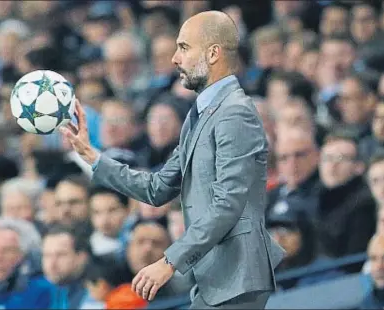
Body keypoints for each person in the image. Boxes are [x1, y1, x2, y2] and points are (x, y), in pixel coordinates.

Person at [60, 10, 285, 309]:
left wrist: (169, 262)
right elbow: (157, 188)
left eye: (184, 47)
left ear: (214, 53)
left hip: (238, 277)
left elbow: (229, 204)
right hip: (215, 279)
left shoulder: (235, 113)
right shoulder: (200, 115)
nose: (174, 59)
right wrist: (92, 155)